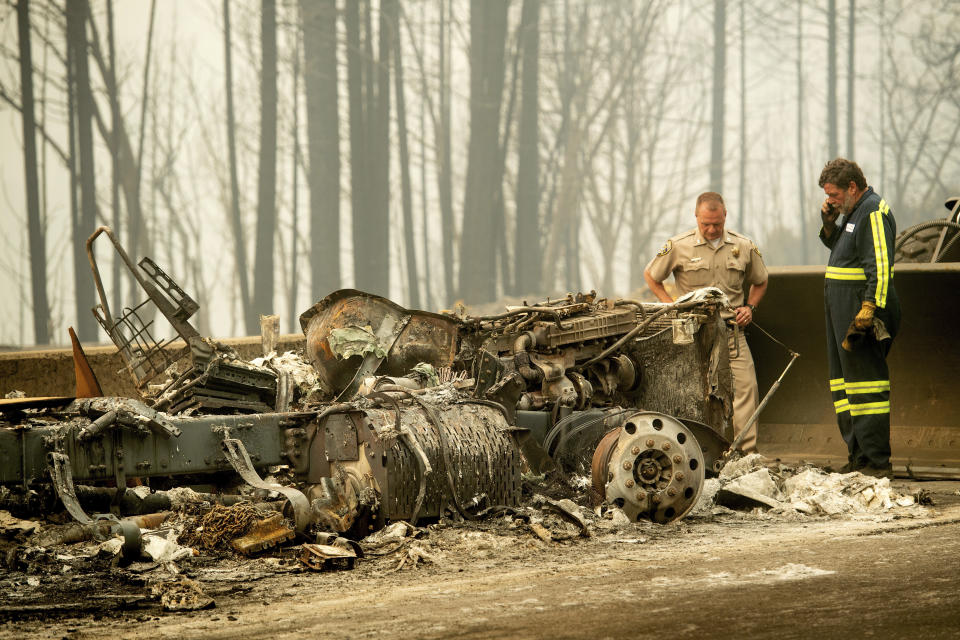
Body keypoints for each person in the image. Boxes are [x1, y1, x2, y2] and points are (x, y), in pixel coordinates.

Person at [644, 192, 768, 453]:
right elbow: (652, 276)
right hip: (692, 333)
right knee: (689, 390)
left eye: (717, 224)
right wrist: (671, 305)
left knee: (747, 387)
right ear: (696, 218)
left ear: (725, 217)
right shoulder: (678, 246)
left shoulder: (743, 246)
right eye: (706, 224)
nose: (712, 229)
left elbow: (761, 280)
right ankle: (693, 451)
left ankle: (745, 452)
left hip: (731, 332)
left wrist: (750, 307)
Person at [818, 158, 900, 478]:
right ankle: (858, 457)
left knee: (867, 389)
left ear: (852, 187)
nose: (830, 200)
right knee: (845, 387)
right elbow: (842, 251)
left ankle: (877, 463)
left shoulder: (874, 212)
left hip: (862, 315)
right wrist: (829, 225)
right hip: (841, 313)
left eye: (834, 194)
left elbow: (879, 267)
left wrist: (869, 309)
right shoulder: (852, 213)